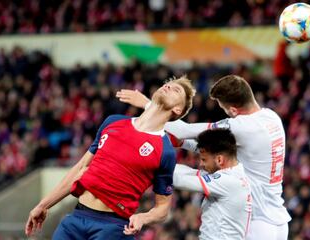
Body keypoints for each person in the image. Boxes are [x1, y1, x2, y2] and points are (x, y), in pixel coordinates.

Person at [116, 74, 291, 240]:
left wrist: (148, 104)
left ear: (233, 109)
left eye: (223, 109)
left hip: (256, 221)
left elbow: (183, 130)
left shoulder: (241, 126)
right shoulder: (271, 117)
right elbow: (220, 149)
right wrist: (183, 143)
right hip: (277, 219)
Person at [25, 76, 195, 239]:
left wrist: (143, 218)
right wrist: (43, 205)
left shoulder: (165, 151)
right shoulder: (113, 122)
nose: (168, 86)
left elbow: (163, 208)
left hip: (112, 227)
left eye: (176, 90)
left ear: (177, 110)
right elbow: (80, 168)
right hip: (76, 218)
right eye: (167, 84)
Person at [173, 128, 252, 240]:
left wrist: (150, 163)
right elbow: (191, 173)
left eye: (204, 160)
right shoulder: (232, 173)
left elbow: (180, 180)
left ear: (219, 159)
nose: (200, 164)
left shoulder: (228, 181)